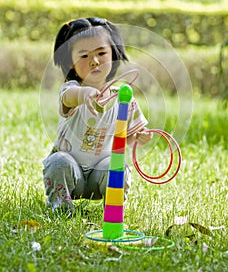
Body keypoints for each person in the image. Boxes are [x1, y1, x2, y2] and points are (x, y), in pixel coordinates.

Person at [43, 17, 151, 215]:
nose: (94, 61)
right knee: (58, 162)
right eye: (83, 56)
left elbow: (128, 139)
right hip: (71, 172)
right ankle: (60, 208)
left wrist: (139, 138)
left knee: (117, 167)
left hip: (100, 176)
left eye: (101, 53)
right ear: (71, 63)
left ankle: (113, 210)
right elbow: (69, 98)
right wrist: (84, 95)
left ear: (114, 54)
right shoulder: (72, 89)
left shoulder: (123, 98)